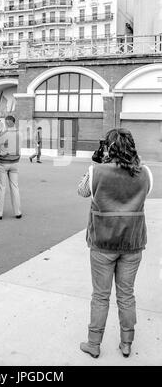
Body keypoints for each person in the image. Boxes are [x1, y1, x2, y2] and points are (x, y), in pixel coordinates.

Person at [78, 128, 153, 359]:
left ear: (109, 148)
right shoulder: (145, 173)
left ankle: (94, 343)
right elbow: (144, 195)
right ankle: (127, 342)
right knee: (126, 294)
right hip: (132, 243)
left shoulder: (97, 171)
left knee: (100, 295)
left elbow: (82, 191)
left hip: (103, 242)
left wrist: (97, 165)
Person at [0, 115, 22, 220]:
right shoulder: (20, 133)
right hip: (15, 162)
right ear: (14, 122)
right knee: (15, 187)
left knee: (1, 188)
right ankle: (18, 212)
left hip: (3, 163)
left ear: (6, 122)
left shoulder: (3, 134)